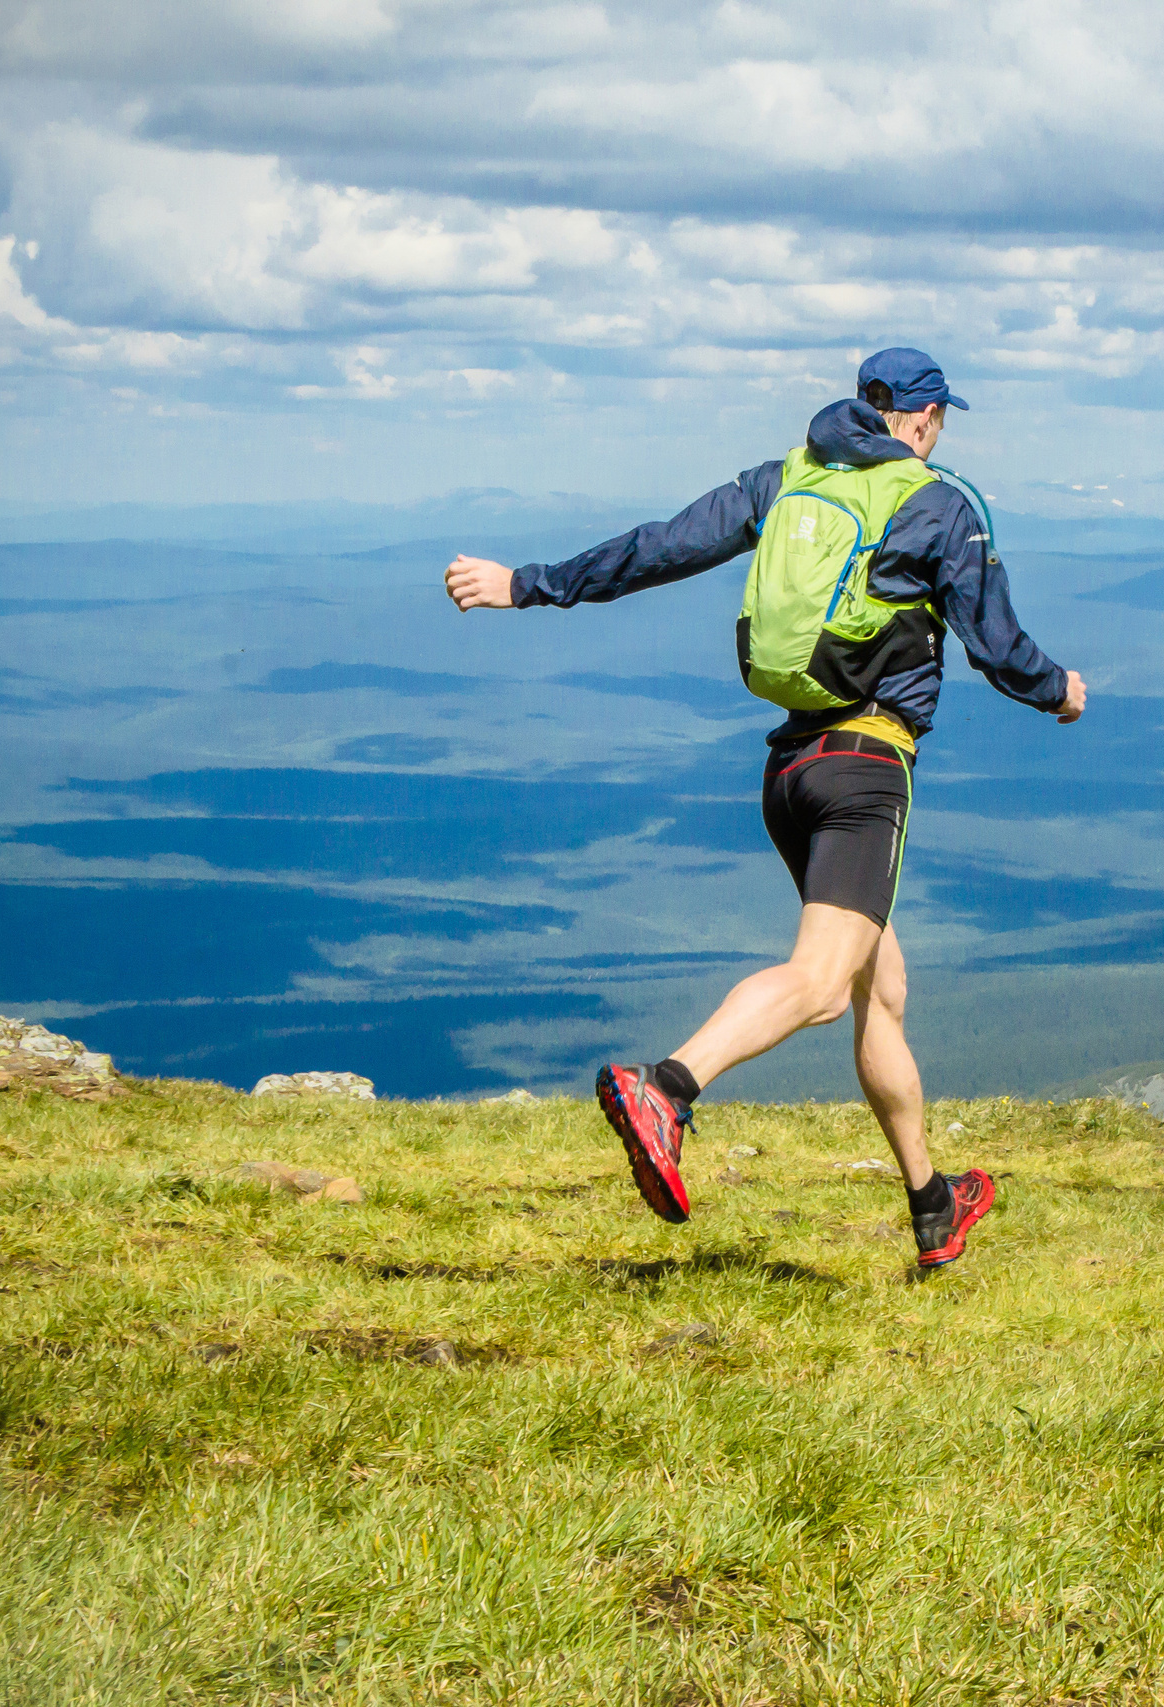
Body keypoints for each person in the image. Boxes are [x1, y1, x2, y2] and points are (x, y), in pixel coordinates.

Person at [443, 347, 1086, 1272]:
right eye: (940, 417)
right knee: (821, 984)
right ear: (920, 418)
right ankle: (667, 1087)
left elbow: (662, 546)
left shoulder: (786, 477)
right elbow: (997, 643)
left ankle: (933, 1204)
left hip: (791, 773)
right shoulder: (936, 504)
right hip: (865, 770)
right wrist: (1059, 690)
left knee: (880, 987)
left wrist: (528, 582)